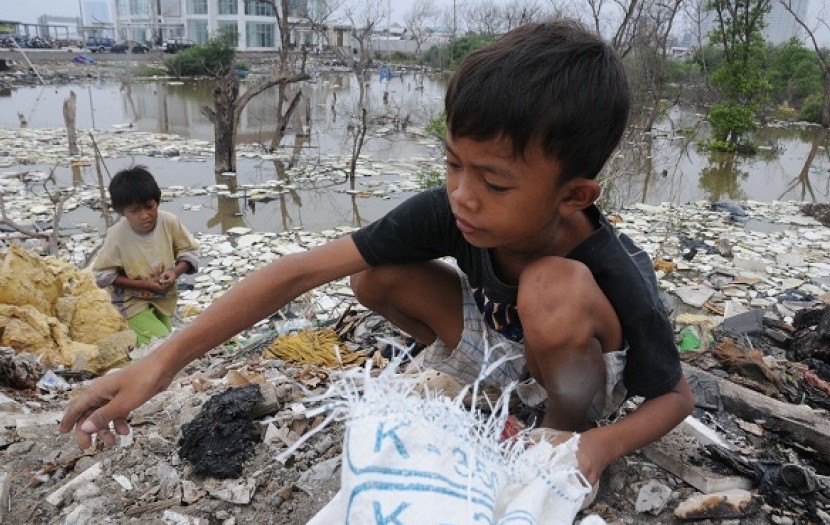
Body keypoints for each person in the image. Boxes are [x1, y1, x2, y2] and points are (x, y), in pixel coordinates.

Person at [62, 20, 694, 487]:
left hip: (575, 373)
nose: (463, 197)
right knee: (374, 273)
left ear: (574, 194)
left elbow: (675, 399)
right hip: (503, 350)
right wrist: (160, 365)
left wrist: (604, 446)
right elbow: (300, 271)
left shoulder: (612, 264)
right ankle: (482, 387)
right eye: (452, 165)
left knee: (549, 288)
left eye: (494, 182)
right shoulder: (453, 210)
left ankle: (558, 433)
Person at [93, 165, 199, 347]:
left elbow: (189, 251)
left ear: (157, 201)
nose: (144, 216)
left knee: (152, 346)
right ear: (122, 212)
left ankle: (138, 370)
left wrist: (175, 272)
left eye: (149, 207)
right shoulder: (117, 234)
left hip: (165, 297)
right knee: (163, 345)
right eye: (134, 211)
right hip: (132, 301)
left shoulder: (169, 222)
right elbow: (102, 274)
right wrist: (143, 285)